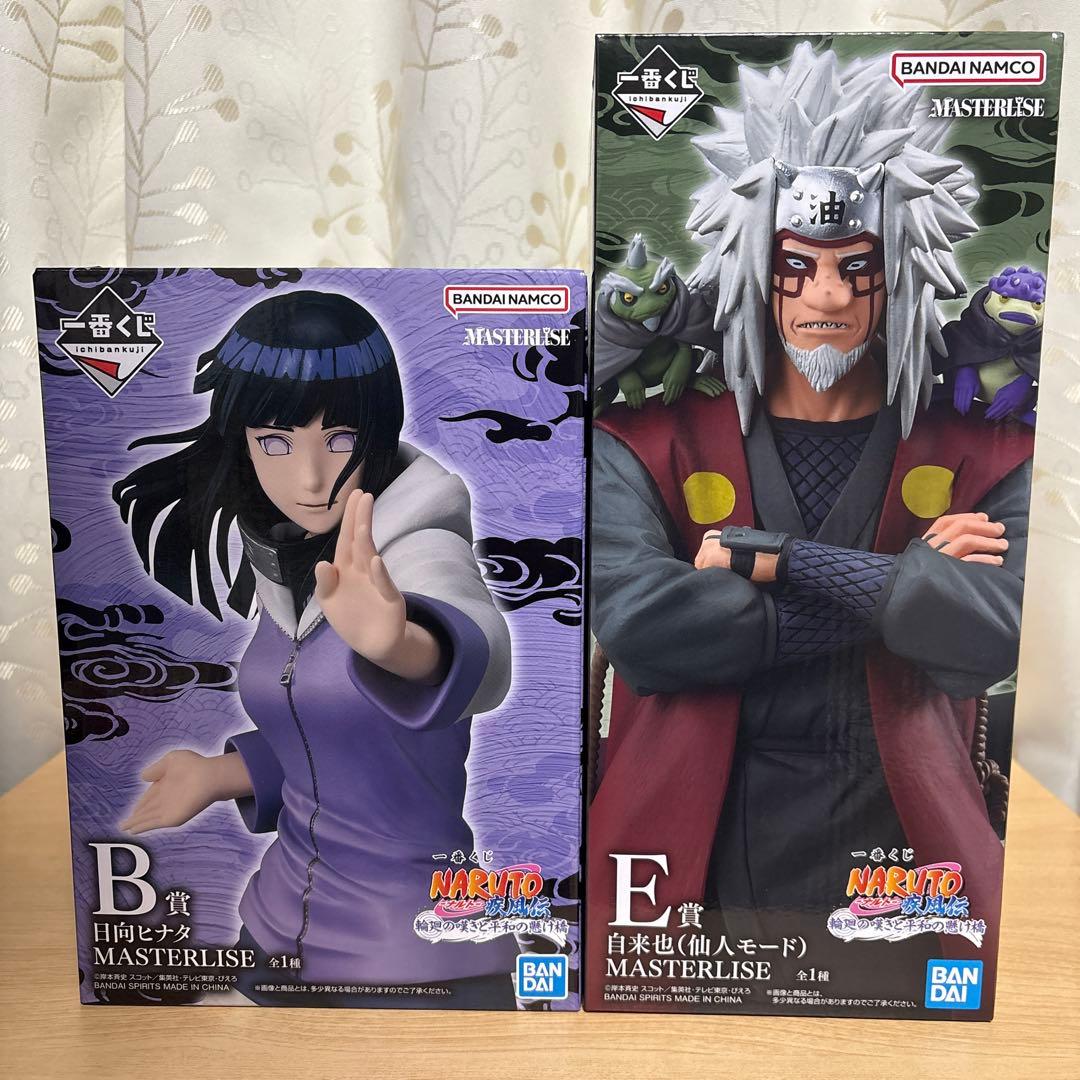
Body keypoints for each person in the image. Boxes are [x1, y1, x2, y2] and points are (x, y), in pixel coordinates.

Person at [587, 43, 1035, 1018]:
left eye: (855, 267)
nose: (827, 297)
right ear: (752, 260)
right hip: (681, 864)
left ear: (900, 266)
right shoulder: (644, 433)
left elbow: (993, 636)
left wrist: (778, 560)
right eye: (797, 266)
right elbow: (645, 631)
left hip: (910, 861)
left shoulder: (990, 444)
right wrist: (903, 584)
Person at [113, 288, 516, 1007]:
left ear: (378, 431)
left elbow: (480, 654)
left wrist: (404, 645)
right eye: (275, 442)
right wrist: (220, 774)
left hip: (413, 949)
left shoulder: (416, 549)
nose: (309, 478)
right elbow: (327, 740)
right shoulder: (291, 566)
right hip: (274, 928)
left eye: (339, 439)